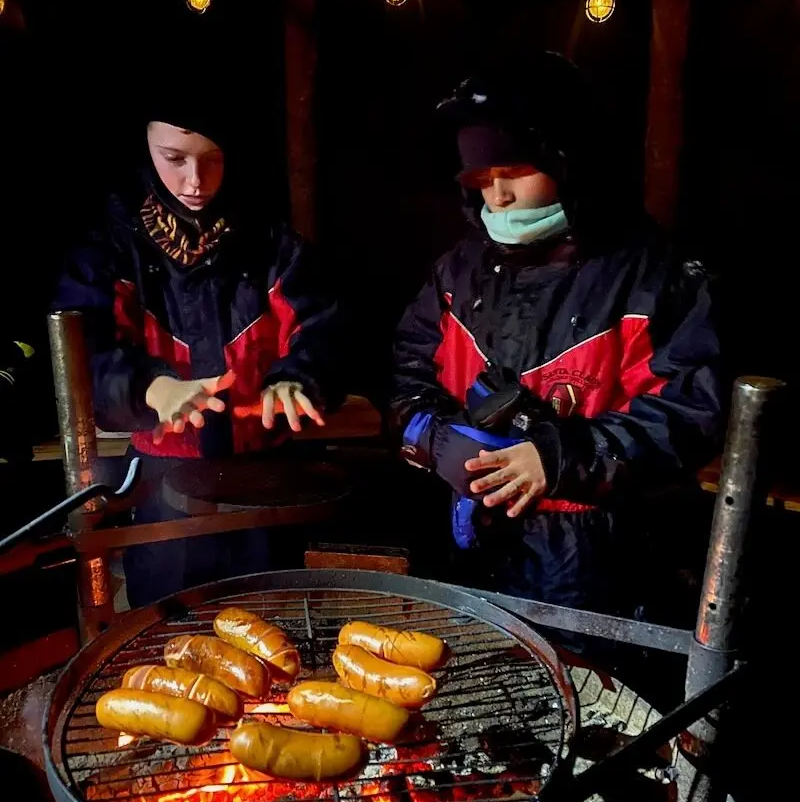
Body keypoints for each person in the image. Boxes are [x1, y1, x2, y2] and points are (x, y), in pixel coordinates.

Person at [393, 53, 722, 619]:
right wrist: (436, 439)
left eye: (513, 172)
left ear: (569, 163)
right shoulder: (459, 272)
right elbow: (409, 370)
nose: (497, 196)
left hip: (603, 561)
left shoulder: (654, 279)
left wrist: (560, 455)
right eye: (480, 179)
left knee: (594, 695)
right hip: (473, 545)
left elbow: (695, 408)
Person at [54, 94, 344, 606]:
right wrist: (150, 385)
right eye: (175, 159)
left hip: (268, 480)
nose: (195, 181)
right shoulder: (111, 249)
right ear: (146, 147)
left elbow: (322, 327)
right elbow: (84, 356)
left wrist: (297, 377)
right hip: (162, 482)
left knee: (274, 624)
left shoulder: (272, 243)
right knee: (169, 635)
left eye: (212, 160)